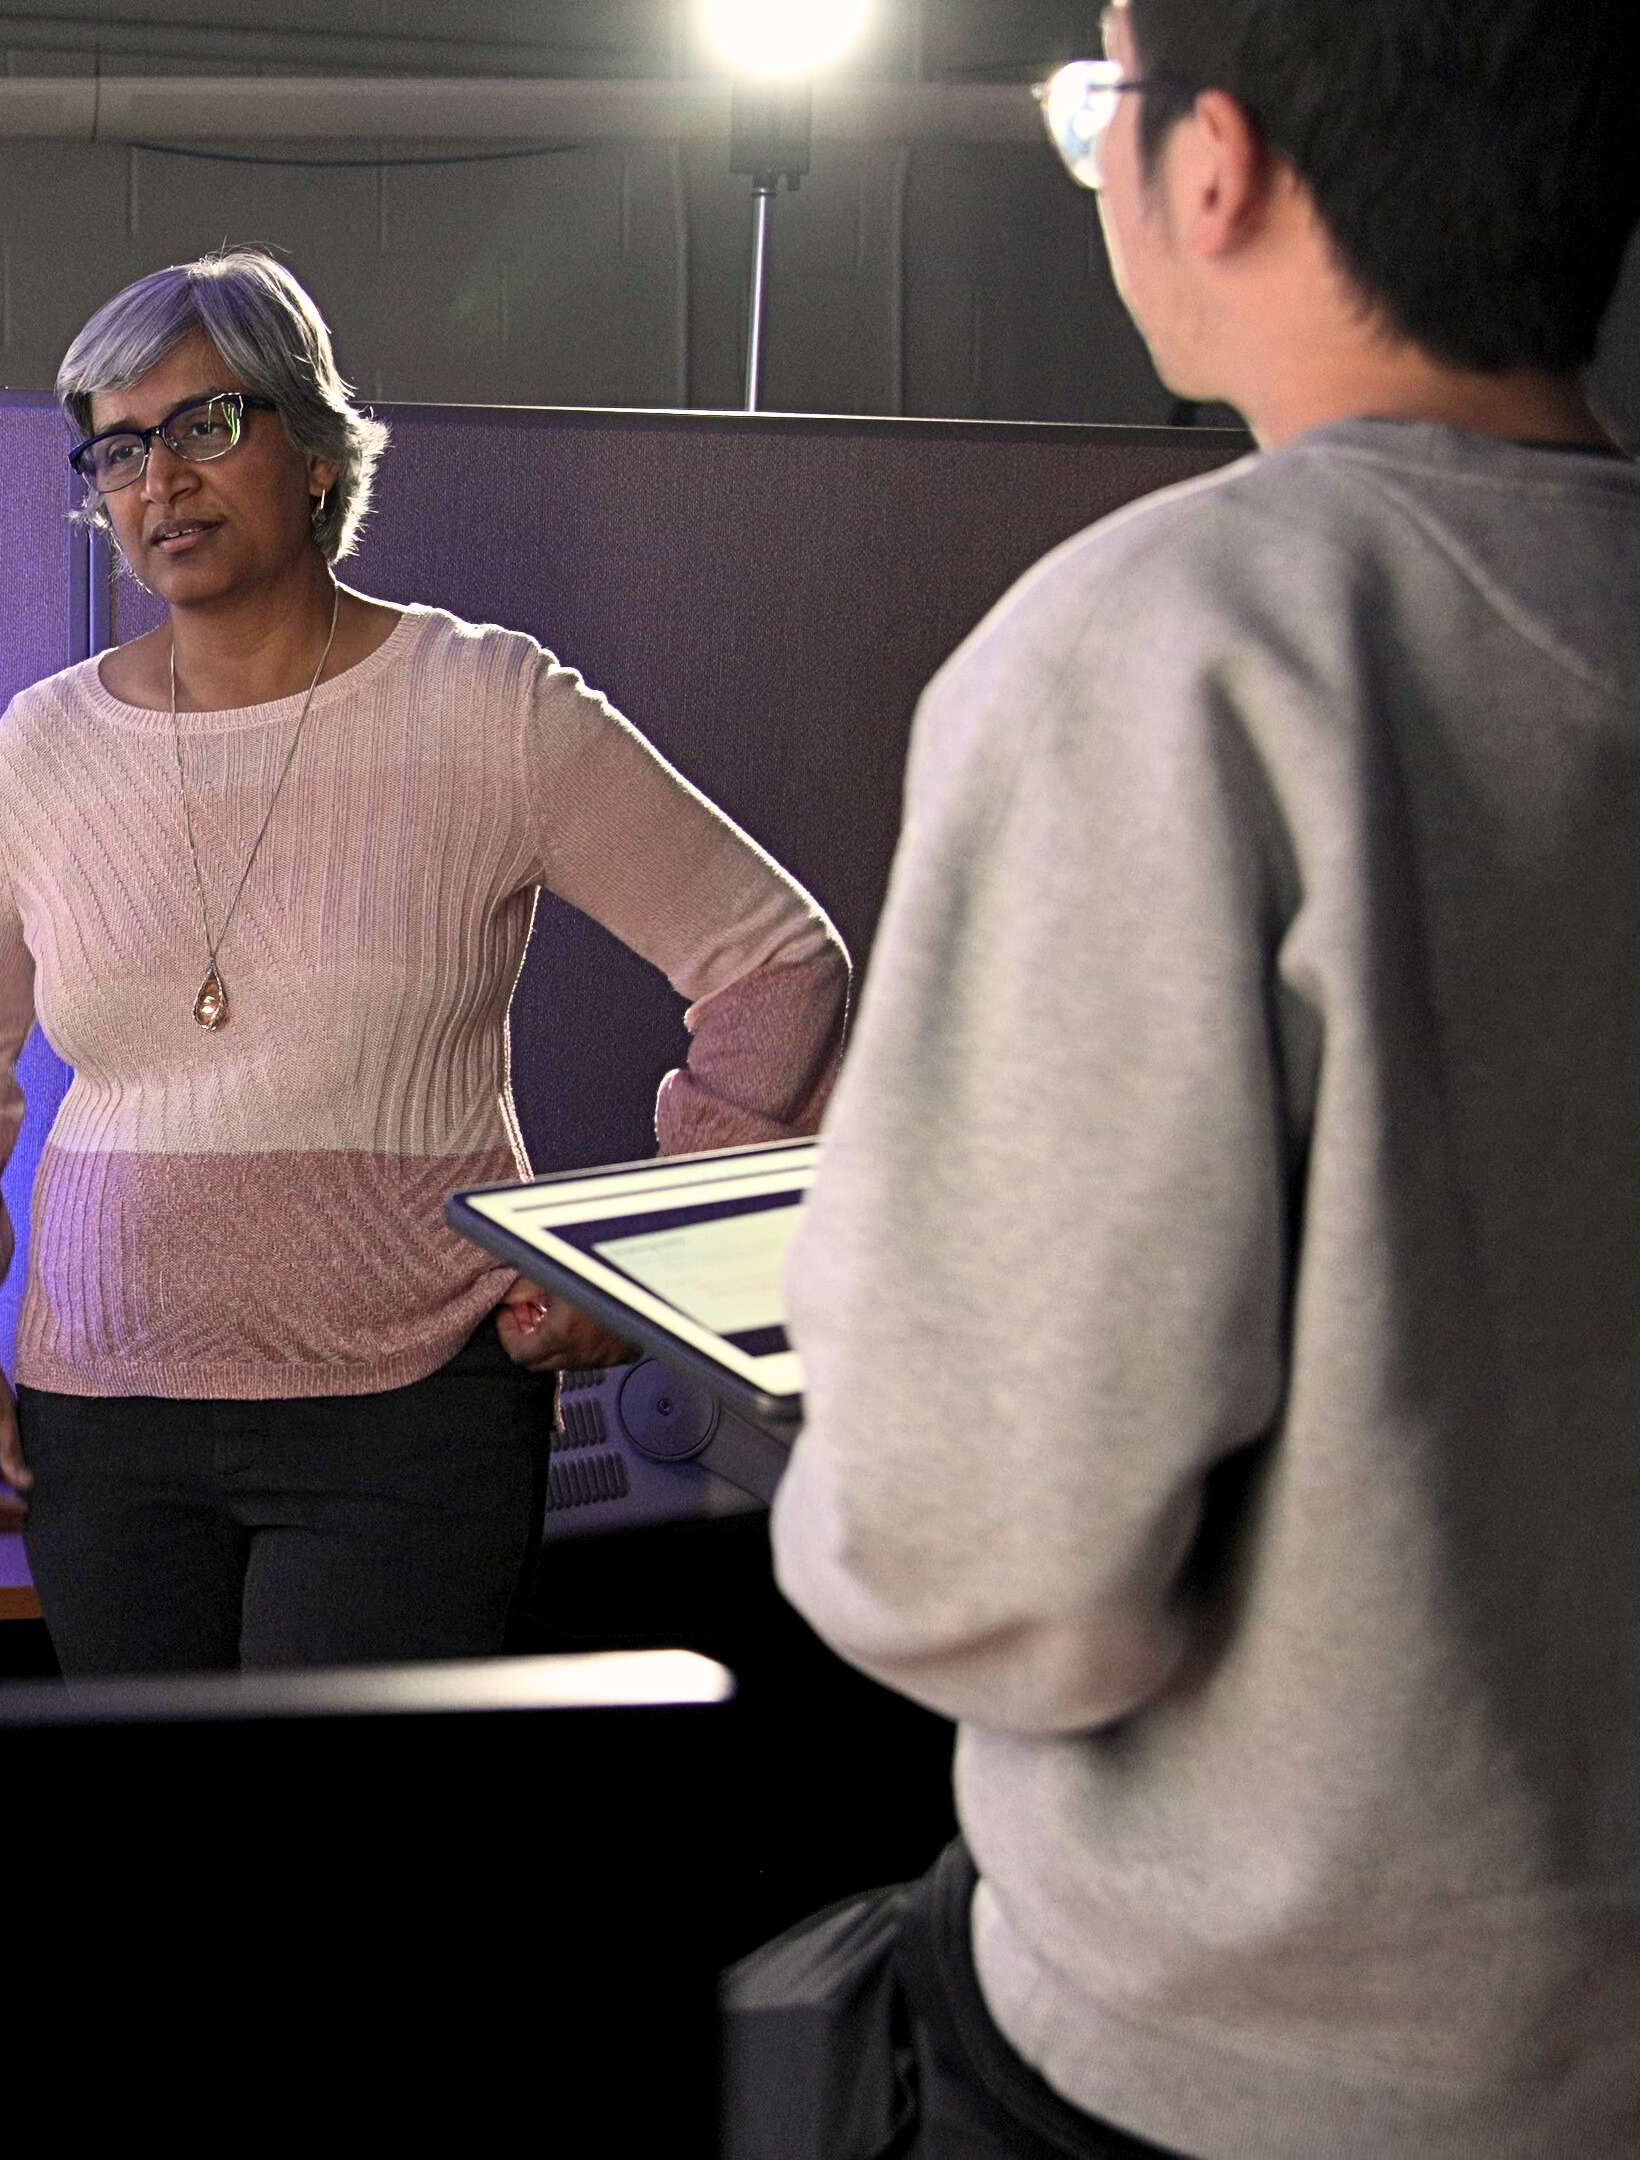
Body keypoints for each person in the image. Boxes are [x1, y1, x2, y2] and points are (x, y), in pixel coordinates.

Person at [747, 2, 1640, 2151]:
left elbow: (989, 1567)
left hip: (1253, 2052)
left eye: (1101, 100)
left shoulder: (1173, 642)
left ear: (1214, 165)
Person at [0, 250, 849, 1676]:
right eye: (122, 447)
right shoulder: (44, 749)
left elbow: (778, 964)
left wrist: (642, 1261)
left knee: (352, 1874)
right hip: (99, 1414)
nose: (162, 480)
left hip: (407, 1419)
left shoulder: (486, 706)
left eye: (208, 426)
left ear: (319, 454)